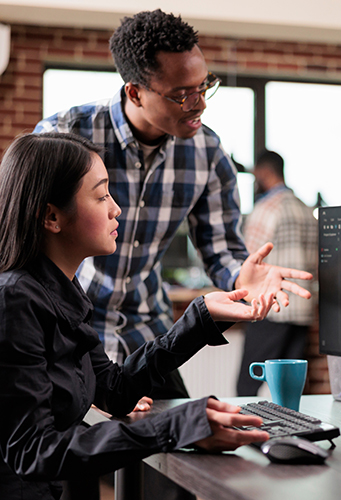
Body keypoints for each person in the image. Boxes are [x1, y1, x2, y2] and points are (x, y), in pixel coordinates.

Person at [33, 8, 312, 401]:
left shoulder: (208, 152)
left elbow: (222, 250)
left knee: (187, 441)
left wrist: (240, 279)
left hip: (146, 329)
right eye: (182, 94)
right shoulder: (66, 136)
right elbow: (27, 249)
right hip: (68, 328)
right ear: (135, 92)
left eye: (204, 86)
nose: (199, 104)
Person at [0, 132, 275, 500]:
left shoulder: (61, 291)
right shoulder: (14, 300)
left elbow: (113, 390)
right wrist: (173, 426)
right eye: (100, 196)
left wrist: (201, 317)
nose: (116, 209)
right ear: (51, 216)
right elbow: (33, 451)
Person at [237, 150, 318, 396]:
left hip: (271, 309)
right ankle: (293, 432)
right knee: (291, 389)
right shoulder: (305, 209)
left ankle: (244, 433)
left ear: (263, 172)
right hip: (302, 309)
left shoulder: (266, 208)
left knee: (246, 386)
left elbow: (249, 259)